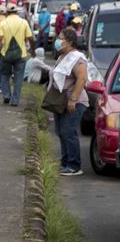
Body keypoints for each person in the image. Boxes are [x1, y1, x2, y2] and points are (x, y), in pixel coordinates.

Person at [48, 28, 90, 176]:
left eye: (61, 38)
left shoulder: (77, 58)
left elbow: (82, 79)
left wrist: (73, 99)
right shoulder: (63, 56)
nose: (58, 41)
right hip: (61, 101)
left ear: (70, 41)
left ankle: (74, 165)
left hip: (75, 101)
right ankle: (65, 161)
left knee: (68, 131)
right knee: (60, 131)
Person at [0, 3, 35, 106]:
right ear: (17, 12)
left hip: (6, 53)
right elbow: (30, 38)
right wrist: (32, 51)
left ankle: (6, 95)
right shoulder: (24, 22)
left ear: (7, 12)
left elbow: (0, 39)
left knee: (5, 75)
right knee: (18, 78)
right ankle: (15, 100)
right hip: (21, 54)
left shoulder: (3, 23)